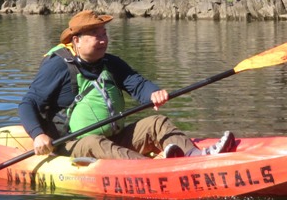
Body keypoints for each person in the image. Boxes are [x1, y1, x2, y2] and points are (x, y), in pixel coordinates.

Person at [18, 10, 236, 160]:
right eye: (95, 35)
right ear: (76, 40)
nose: (103, 40)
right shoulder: (57, 66)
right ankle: (149, 168)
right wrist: (38, 135)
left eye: (104, 34)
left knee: (156, 122)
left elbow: (137, 84)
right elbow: (28, 103)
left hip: (115, 138)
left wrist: (154, 93)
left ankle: (195, 156)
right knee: (94, 141)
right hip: (72, 145)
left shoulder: (111, 63)